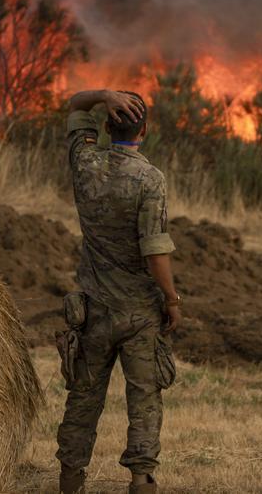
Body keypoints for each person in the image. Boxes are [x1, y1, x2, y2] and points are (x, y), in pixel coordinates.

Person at [56, 89, 182, 494]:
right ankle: (141, 480)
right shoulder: (150, 179)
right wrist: (172, 300)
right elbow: (155, 251)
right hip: (140, 312)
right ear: (145, 130)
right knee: (144, 400)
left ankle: (71, 478)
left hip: (93, 308)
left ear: (108, 125)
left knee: (83, 399)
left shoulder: (85, 162)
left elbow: (75, 104)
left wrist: (102, 95)